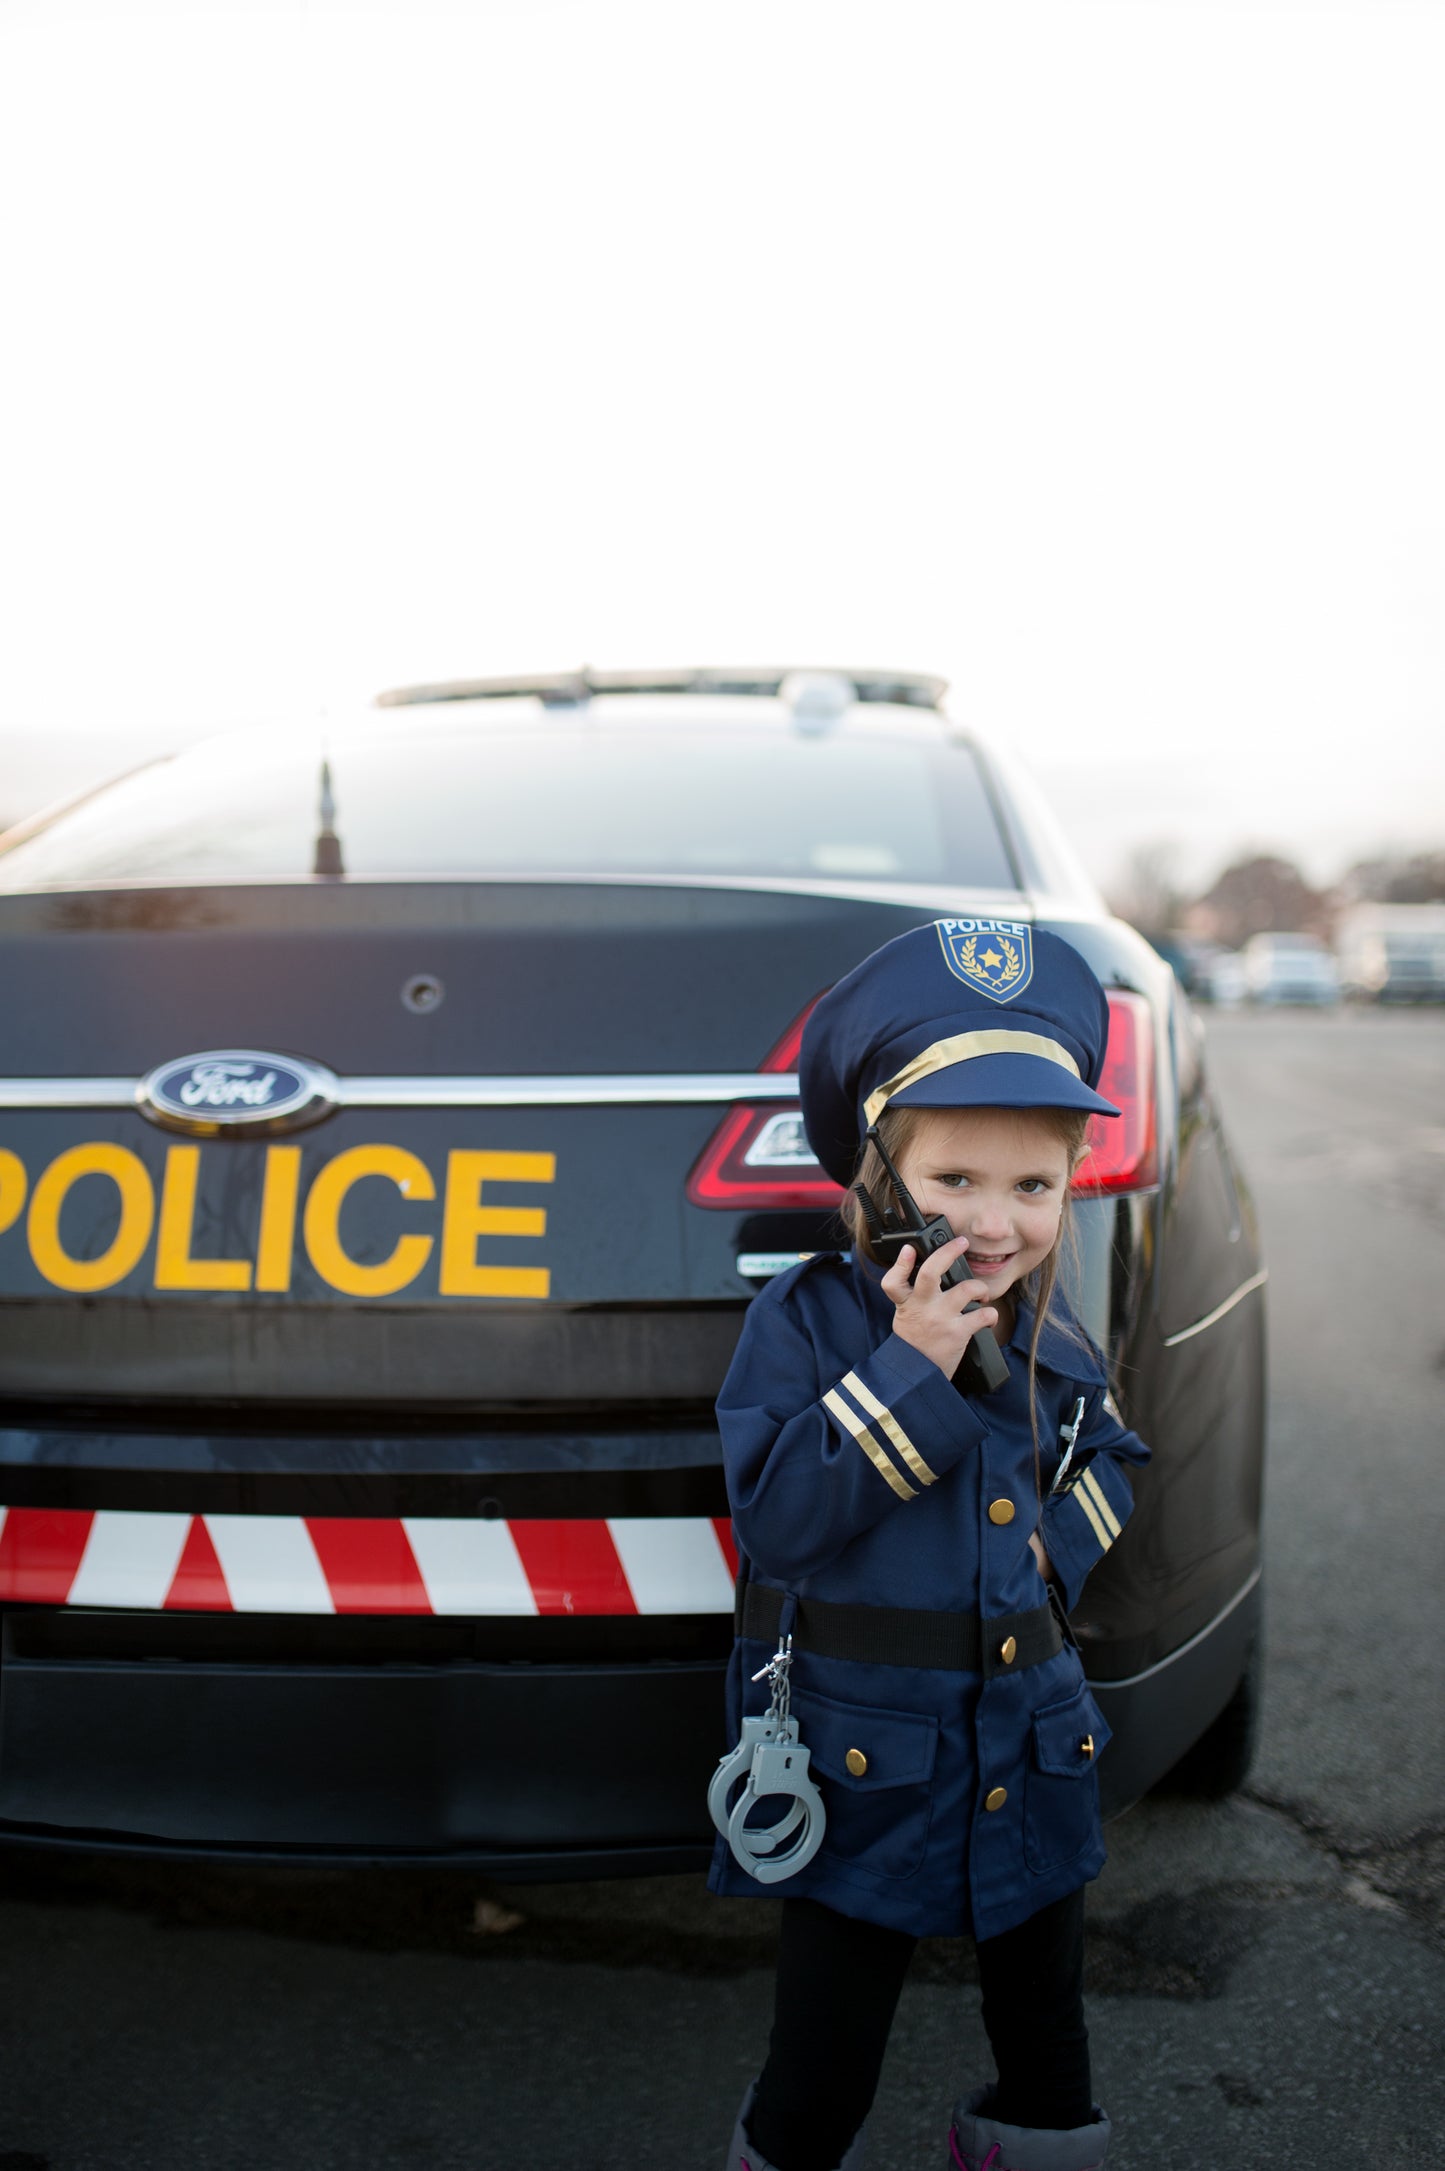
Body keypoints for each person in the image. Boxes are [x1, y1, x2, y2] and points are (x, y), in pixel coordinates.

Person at [709, 918, 1151, 2171]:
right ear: (879, 1178)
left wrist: (1041, 1566)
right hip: (865, 1764)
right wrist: (912, 1370)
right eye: (954, 1180)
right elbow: (782, 1523)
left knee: (1050, 2066)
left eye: (1032, 1185)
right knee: (818, 2073)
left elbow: (1112, 1460)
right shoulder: (805, 1324)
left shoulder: (1052, 1339)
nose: (996, 1222)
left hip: (1032, 1739)